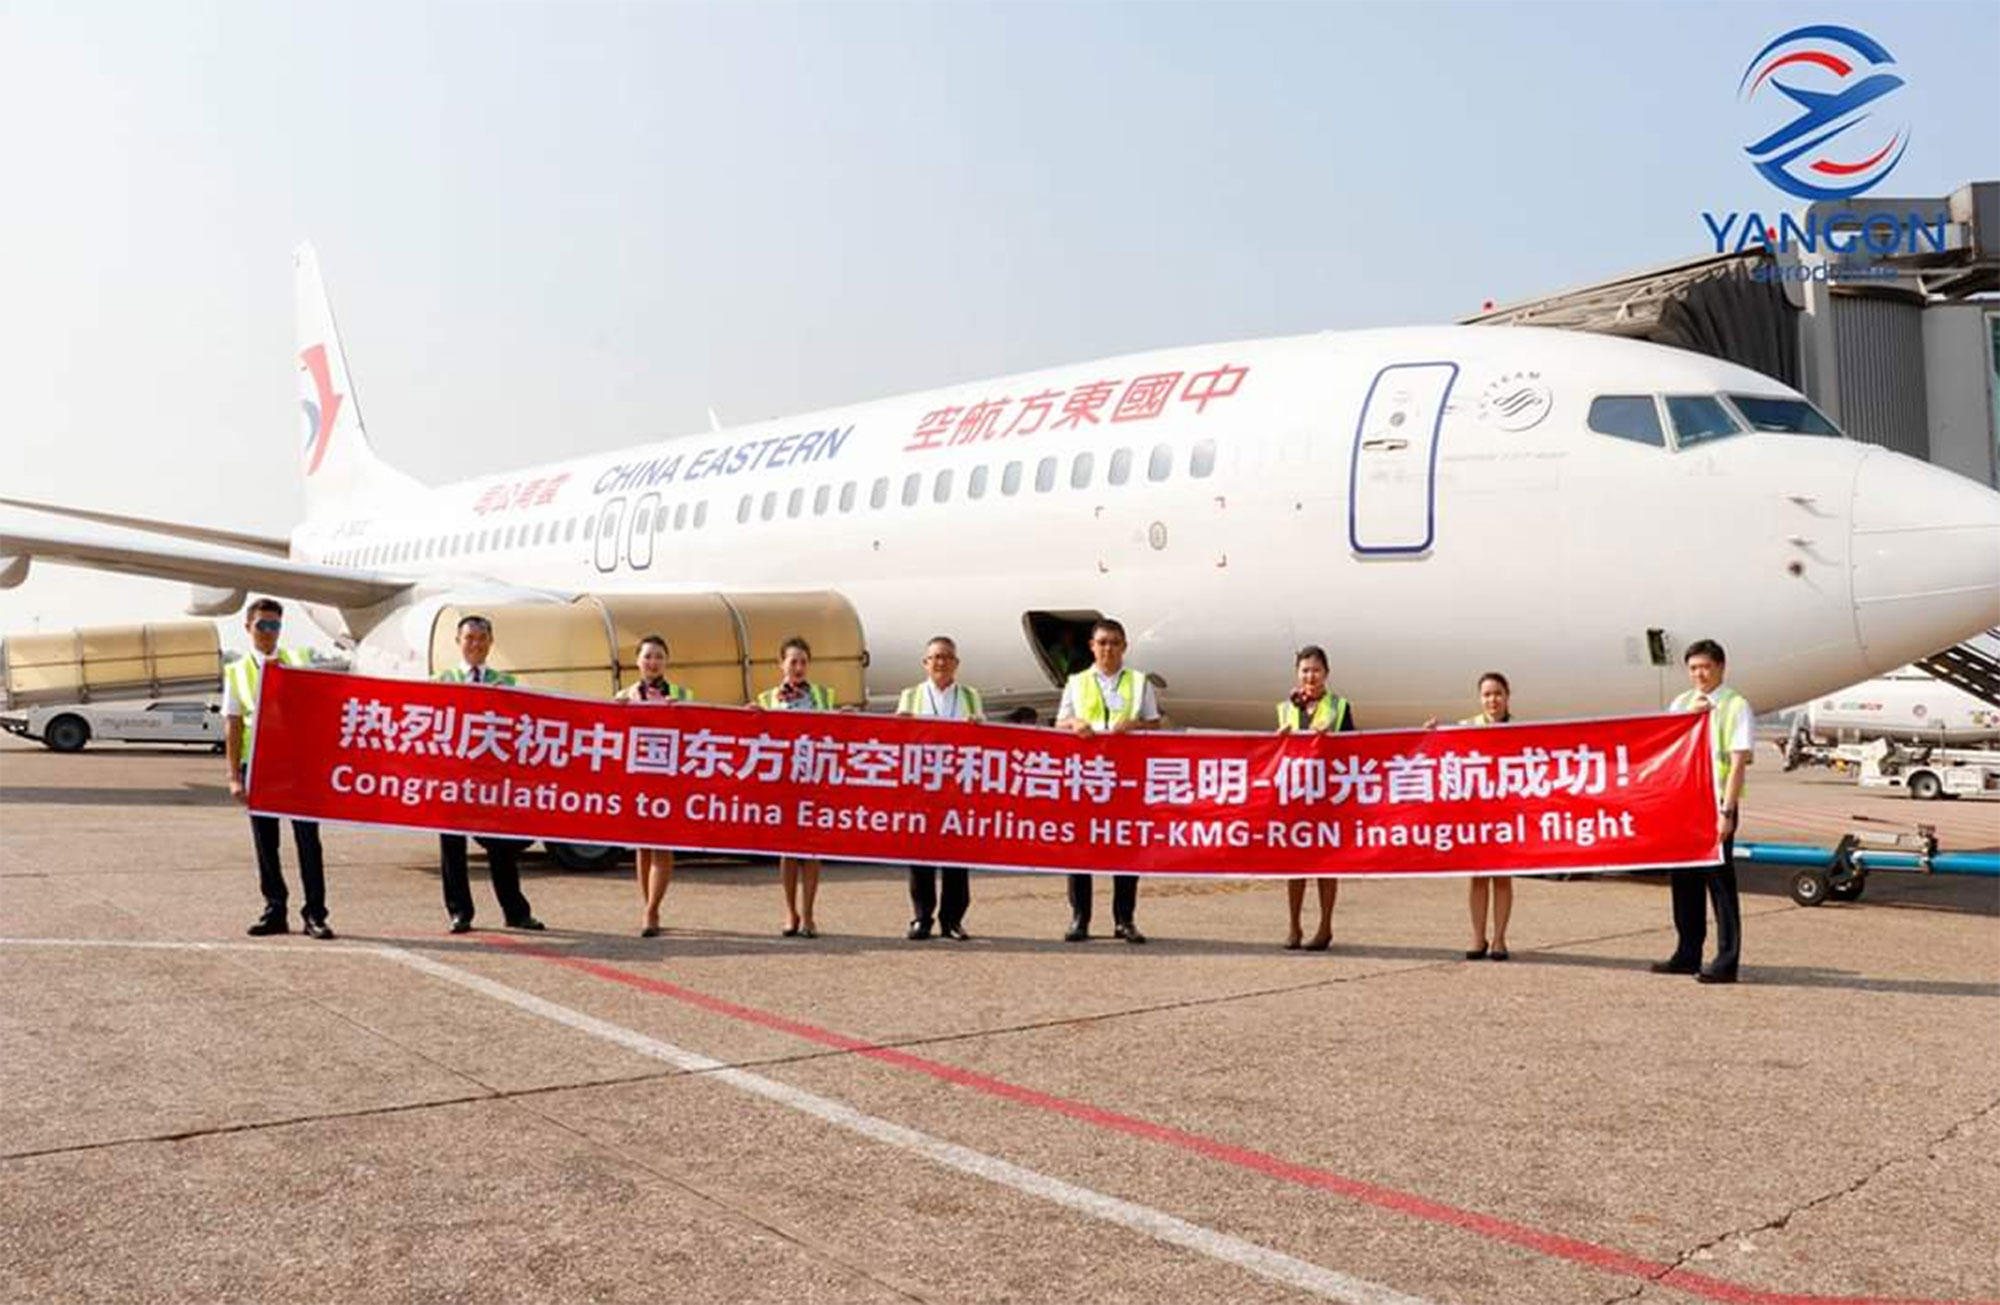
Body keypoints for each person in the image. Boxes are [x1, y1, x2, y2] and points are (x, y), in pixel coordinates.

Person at [223, 598, 332, 939]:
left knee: (308, 842)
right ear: (248, 627)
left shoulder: (299, 662)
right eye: (262, 625)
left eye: (275, 626)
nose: (269, 633)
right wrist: (234, 776)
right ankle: (275, 909)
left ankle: (315, 913)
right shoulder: (237, 671)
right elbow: (233, 725)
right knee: (266, 843)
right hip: (259, 766)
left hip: (298, 766)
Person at [1653, 639, 1753, 984]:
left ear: (1721, 668)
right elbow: (1666, 749)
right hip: (1685, 805)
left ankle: (1727, 960)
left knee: (1720, 884)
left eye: (1705, 667)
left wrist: (1727, 810)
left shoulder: (1735, 705)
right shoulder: (1681, 703)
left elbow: (1738, 762)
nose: (1699, 674)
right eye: (1693, 668)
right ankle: (1687, 952)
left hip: (1716, 804)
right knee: (1683, 882)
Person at [436, 614, 544, 935]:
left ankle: (515, 911)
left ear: (490, 643)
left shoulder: (506, 683)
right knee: (452, 848)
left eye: (482, 639)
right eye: (469, 638)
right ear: (458, 642)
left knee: (502, 847)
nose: (476, 644)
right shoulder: (441, 681)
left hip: (493, 783)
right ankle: (460, 912)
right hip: (454, 780)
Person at [1055, 617, 1161, 943]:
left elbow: (1156, 724)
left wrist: (1135, 726)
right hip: (1087, 777)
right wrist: (1075, 724)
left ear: (1124, 647)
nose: (1108, 649)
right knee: (1080, 849)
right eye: (1102, 643)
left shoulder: (1139, 682)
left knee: (1126, 850)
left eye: (1114, 643)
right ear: (1092, 646)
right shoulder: (1076, 682)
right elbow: (1059, 723)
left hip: (1126, 777)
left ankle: (1124, 920)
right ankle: (1080, 918)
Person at [896, 636, 985, 941]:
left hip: (958, 786)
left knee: (956, 858)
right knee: (920, 855)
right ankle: (922, 917)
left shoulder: (971, 696)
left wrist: (977, 727)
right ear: (926, 663)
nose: (941, 662)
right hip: (922, 787)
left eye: (947, 657)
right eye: (935, 657)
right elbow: (898, 739)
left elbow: (988, 741)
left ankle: (952, 919)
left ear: (956, 663)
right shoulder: (910, 696)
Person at [756, 635, 835, 938]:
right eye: (793, 662)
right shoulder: (767, 698)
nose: (798, 667)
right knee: (788, 851)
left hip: (813, 780)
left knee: (811, 851)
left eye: (803, 662)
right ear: (782, 664)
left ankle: (811, 914)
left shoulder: (823, 696)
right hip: (783, 783)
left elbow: (835, 732)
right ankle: (791, 911)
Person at [1275, 645, 1351, 950]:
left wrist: (1333, 739)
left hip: (1327, 795)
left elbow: (1355, 748)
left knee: (1326, 866)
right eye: (1305, 670)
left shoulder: (1340, 706)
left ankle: (1325, 927)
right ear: (1297, 674)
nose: (1311, 676)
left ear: (1326, 673)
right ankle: (1293, 926)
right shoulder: (1286, 708)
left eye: (1316, 670)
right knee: (1295, 865)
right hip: (1296, 794)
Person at [618, 634, 690, 937]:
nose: (653, 662)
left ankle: (652, 910)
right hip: (639, 779)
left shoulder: (682, 695)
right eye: (648, 656)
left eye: (659, 656)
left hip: (668, 781)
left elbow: (700, 734)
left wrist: (683, 712)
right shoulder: (624, 695)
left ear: (667, 661)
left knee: (663, 846)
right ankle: (647, 904)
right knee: (642, 846)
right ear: (637, 661)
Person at [1455, 672, 1516, 961]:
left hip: (1505, 815)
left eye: (1497, 693)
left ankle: (1500, 939)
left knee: (1502, 878)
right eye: (1487, 695)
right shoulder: (1467, 727)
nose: (1492, 700)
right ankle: (1478, 937)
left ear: (1507, 696)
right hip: (1477, 815)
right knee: (1478, 878)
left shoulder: (1522, 730)